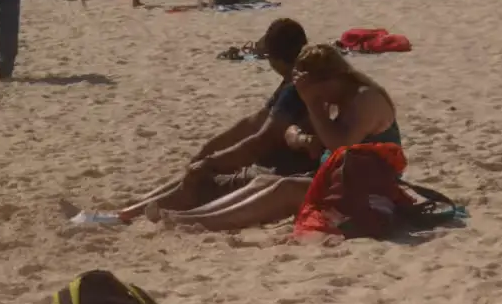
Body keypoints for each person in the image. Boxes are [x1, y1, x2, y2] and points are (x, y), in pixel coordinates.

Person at [89, 19, 315, 222]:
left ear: (275, 59)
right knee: (199, 169)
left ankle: (122, 216)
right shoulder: (296, 82)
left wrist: (211, 162)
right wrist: (208, 151)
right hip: (276, 168)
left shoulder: (294, 90)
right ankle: (138, 203)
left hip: (276, 173)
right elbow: (251, 123)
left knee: (200, 181)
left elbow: (259, 140)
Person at [156, 43, 400, 231]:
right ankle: (197, 216)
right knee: (264, 182)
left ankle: (202, 223)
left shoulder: (365, 99)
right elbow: (303, 136)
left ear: (328, 81)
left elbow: (338, 145)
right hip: (342, 181)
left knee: (284, 188)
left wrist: (312, 104)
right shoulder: (339, 100)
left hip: (369, 190)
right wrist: (303, 136)